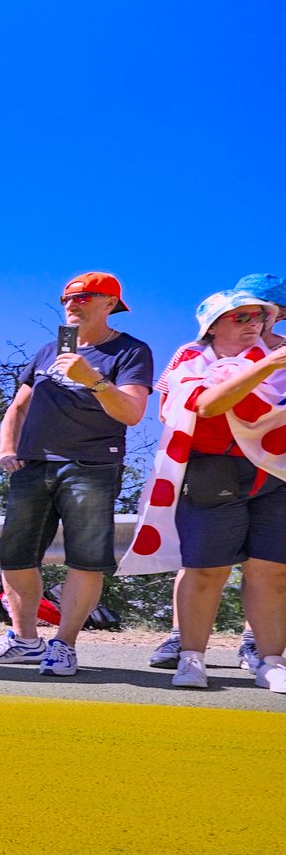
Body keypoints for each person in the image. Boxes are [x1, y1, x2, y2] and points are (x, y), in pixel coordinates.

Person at [0, 274, 153, 677]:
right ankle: (25, 640)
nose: (72, 304)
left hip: (92, 465)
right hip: (33, 465)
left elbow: (133, 412)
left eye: (84, 297)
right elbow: (18, 407)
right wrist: (6, 447)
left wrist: (94, 380)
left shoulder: (130, 351)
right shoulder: (49, 350)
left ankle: (64, 645)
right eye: (67, 298)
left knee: (85, 560)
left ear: (110, 304)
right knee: (15, 555)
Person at [119, 290, 286, 691]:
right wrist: (267, 366)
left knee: (273, 571)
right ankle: (192, 657)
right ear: (212, 324)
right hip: (212, 471)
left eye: (258, 317)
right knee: (207, 569)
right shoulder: (191, 357)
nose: (252, 324)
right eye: (240, 317)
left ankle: (272, 660)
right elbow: (206, 405)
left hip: (276, 472)